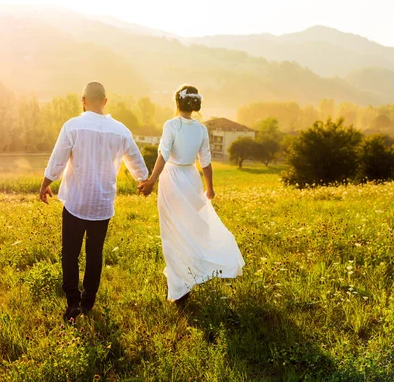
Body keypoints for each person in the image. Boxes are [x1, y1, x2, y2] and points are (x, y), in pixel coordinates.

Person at [40, 81, 149, 322]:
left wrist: (45, 183)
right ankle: (88, 302)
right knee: (94, 254)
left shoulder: (73, 126)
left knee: (70, 253)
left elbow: (58, 159)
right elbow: (135, 160)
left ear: (83, 100)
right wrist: (144, 181)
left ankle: (73, 302)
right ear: (106, 101)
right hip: (102, 204)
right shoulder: (121, 130)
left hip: (76, 202)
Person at [138, 85, 245, 306]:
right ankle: (183, 275)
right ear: (194, 105)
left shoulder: (171, 125)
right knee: (192, 228)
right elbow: (205, 161)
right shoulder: (201, 129)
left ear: (177, 102)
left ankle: (180, 286)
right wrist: (209, 187)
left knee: (172, 230)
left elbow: (163, 154)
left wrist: (151, 181)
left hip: (172, 179)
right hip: (191, 178)